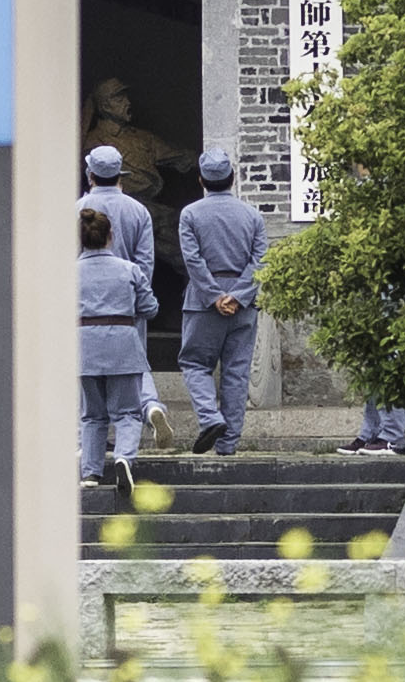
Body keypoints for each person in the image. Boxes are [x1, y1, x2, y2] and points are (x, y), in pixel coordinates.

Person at [176, 152, 265, 456]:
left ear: (201, 180)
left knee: (195, 364)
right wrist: (238, 296)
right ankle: (228, 444)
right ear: (233, 177)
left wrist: (215, 296)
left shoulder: (190, 214)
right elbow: (260, 261)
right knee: (236, 372)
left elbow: (192, 260)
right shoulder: (252, 216)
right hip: (244, 304)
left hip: (203, 303)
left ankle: (210, 418)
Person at [71, 204, 156, 493]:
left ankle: (90, 472)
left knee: (91, 414)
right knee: (128, 412)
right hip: (123, 345)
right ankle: (123, 458)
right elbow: (150, 307)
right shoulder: (129, 270)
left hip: (84, 347)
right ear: (111, 236)